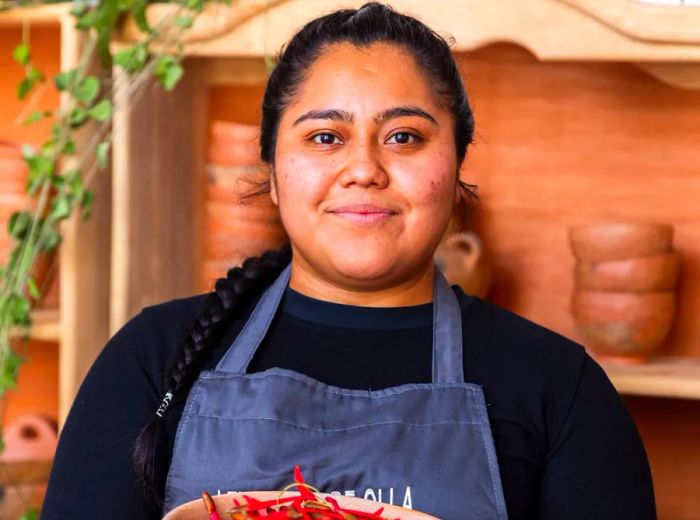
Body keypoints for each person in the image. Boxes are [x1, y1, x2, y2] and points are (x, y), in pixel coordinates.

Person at [40, 3, 656, 519]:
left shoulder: (561, 390)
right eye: (324, 137)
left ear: (457, 167)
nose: (364, 169)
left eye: (405, 137)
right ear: (274, 175)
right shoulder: (152, 358)